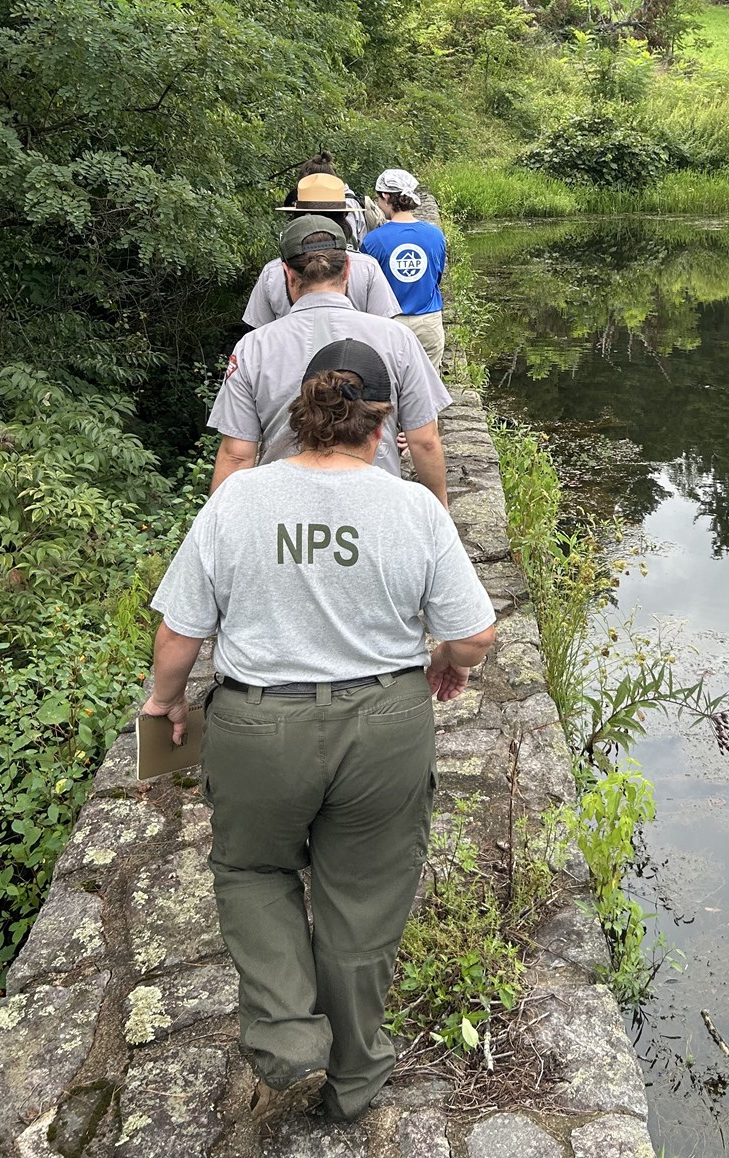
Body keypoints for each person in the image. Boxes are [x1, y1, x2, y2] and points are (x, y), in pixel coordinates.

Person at [142, 338, 497, 1127]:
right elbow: (474, 633)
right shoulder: (413, 510)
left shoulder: (239, 499)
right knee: (362, 905)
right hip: (386, 726)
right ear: (384, 427)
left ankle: (283, 1029)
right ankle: (355, 1081)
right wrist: (447, 663)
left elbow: (178, 634)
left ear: (299, 416)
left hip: (259, 725)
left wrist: (165, 704)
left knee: (252, 871)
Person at [210, 215, 452, 505]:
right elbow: (424, 441)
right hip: (375, 504)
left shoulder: (253, 347)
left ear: (288, 274)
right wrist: (440, 515)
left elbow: (237, 454)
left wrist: (218, 529)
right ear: (348, 268)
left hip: (282, 512)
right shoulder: (397, 339)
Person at [242, 172, 400, 328]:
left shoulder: (273, 272)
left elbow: (258, 331)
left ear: (297, 217)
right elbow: (386, 327)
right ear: (344, 216)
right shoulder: (367, 267)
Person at [361, 169, 447, 372]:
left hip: (389, 325)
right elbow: (437, 277)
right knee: (427, 393)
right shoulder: (435, 235)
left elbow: (367, 286)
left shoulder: (372, 241)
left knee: (390, 388)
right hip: (428, 322)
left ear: (385, 196)